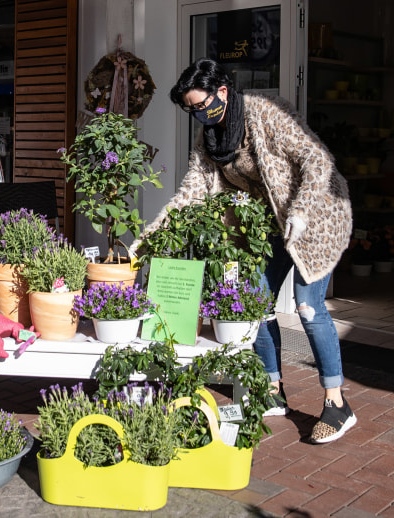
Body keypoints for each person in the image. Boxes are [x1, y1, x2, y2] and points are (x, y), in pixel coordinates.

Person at [132, 58, 356, 444]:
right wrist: (148, 238)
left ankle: (337, 403)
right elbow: (190, 193)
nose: (199, 115)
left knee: (307, 306)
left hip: (316, 214)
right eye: (191, 110)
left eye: (201, 105)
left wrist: (301, 211)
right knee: (254, 302)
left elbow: (315, 158)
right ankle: (272, 389)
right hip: (273, 223)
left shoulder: (265, 114)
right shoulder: (211, 140)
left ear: (222, 92)